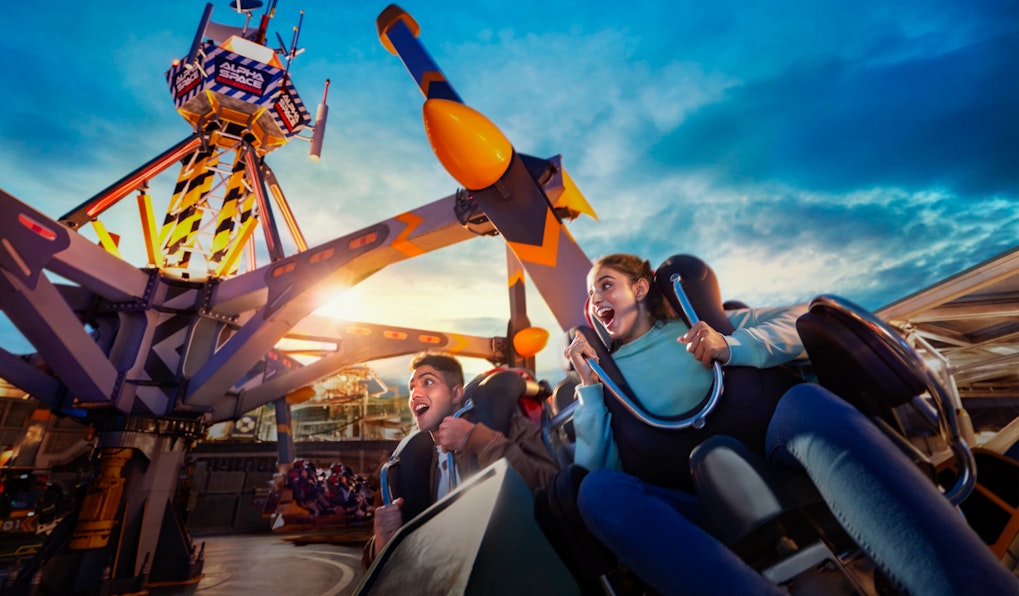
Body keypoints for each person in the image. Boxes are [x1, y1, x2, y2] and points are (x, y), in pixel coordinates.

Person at [565, 253, 1019, 595]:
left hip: (774, 446)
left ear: (642, 288)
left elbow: (799, 317)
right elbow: (597, 469)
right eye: (590, 295)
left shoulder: (699, 321)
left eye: (605, 285)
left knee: (804, 401)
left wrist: (733, 345)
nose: (595, 299)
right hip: (688, 489)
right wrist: (589, 389)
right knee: (596, 493)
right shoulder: (609, 377)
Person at [362, 352, 559, 569]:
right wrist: (379, 544)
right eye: (411, 388)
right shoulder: (411, 460)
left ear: (456, 394)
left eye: (428, 382)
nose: (415, 393)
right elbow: (374, 565)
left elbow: (552, 489)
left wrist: (483, 442)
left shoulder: (506, 425)